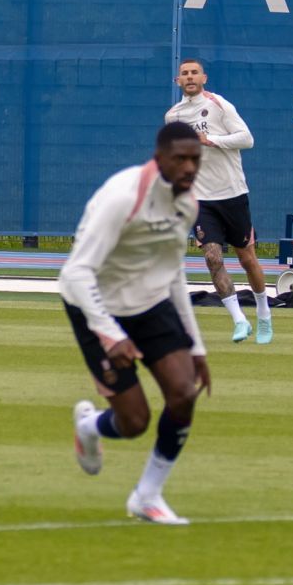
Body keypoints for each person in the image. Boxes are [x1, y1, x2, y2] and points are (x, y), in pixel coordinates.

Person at [63, 122, 212, 525]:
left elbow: (174, 272)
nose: (188, 167)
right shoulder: (123, 198)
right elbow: (75, 275)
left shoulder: (187, 204)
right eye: (179, 158)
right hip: (95, 305)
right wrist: (110, 335)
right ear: (159, 157)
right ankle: (90, 426)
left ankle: (147, 496)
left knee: (183, 393)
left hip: (149, 303)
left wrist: (196, 347)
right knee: (134, 423)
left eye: (195, 159)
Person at [165, 58, 271, 345]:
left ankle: (263, 313)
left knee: (247, 258)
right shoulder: (172, 117)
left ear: (203, 78)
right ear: (178, 81)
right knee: (212, 258)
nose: (189, 77)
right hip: (201, 200)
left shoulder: (218, 104)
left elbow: (247, 139)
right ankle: (239, 320)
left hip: (233, 193)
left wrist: (211, 140)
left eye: (194, 73)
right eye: (184, 73)